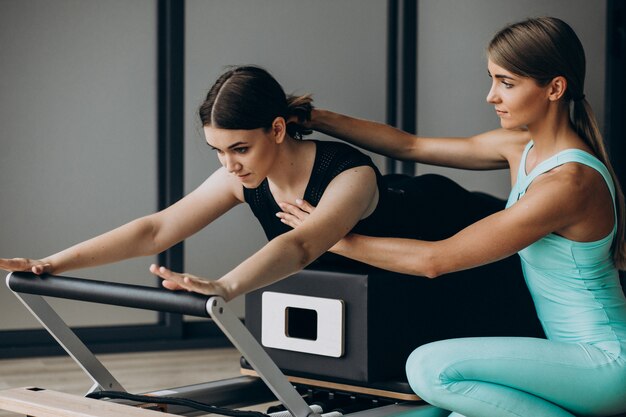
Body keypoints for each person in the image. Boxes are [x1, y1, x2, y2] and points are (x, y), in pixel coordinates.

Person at [278, 17, 626, 417]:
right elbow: (410, 146)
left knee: (429, 368)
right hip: (565, 360)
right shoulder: (522, 148)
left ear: (555, 88)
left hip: (603, 366)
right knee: (446, 412)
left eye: (506, 83)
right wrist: (316, 118)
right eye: (492, 79)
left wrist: (330, 235)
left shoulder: (568, 184)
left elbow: (435, 261)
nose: (491, 96)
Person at [0, 65, 519, 309]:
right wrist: (51, 262)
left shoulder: (349, 176)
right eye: (217, 152)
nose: (229, 165)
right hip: (383, 278)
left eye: (239, 149)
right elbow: (155, 229)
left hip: (456, 226)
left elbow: (301, 243)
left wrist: (225, 286)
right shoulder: (239, 175)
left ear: (277, 129)